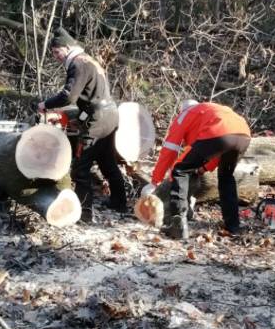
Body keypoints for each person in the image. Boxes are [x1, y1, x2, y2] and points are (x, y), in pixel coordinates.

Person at [38, 28, 126, 223]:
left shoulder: (78, 64)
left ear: (68, 47)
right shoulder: (89, 60)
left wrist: (45, 105)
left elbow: (69, 96)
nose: (55, 57)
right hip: (108, 113)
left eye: (56, 52)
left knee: (81, 166)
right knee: (107, 162)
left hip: (99, 118)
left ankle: (84, 213)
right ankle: (120, 202)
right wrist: (81, 118)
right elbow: (93, 99)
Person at [142, 100, 251, 240]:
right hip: (244, 134)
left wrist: (155, 179)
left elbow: (170, 148)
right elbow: (215, 151)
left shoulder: (185, 114)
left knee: (180, 170)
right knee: (226, 177)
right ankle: (233, 226)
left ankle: (178, 224)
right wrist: (202, 169)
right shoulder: (209, 111)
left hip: (219, 131)